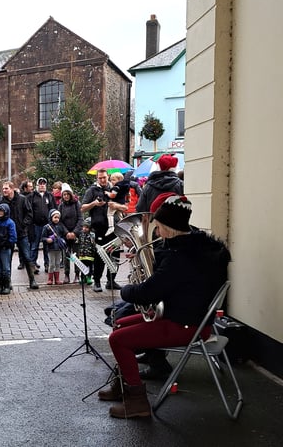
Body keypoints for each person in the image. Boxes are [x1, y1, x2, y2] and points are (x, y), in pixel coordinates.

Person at [97, 193, 230, 419]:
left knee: (117, 339)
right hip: (190, 318)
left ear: (168, 228)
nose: (156, 233)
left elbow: (147, 292)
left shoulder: (180, 257)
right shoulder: (198, 248)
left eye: (157, 227)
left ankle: (137, 402)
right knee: (119, 323)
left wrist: (126, 290)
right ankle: (123, 385)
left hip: (185, 324)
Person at [81, 169, 127, 292]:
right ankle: (97, 281)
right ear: (97, 178)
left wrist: (116, 206)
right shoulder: (92, 190)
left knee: (115, 255)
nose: (102, 180)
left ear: (108, 177)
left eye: (104, 178)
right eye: (100, 178)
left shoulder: (116, 189)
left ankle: (111, 281)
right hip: (99, 229)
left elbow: (125, 207)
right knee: (100, 256)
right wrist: (94, 204)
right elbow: (82, 208)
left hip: (115, 228)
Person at [0, 181, 39, 289]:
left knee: (27, 257)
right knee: (8, 259)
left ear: (12, 189)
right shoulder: (2, 202)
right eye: (3, 189)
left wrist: (23, 225)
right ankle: (8, 282)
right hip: (8, 235)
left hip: (22, 233)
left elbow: (29, 213)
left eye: (6, 188)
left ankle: (32, 280)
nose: (4, 190)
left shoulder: (22, 199)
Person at [29, 177, 55, 273]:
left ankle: (47, 264)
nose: (42, 185)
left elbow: (53, 209)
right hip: (36, 225)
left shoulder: (50, 196)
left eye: (44, 184)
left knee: (47, 246)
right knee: (34, 245)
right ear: (37, 185)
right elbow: (29, 211)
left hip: (47, 226)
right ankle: (33, 264)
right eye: (40, 184)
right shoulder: (32, 196)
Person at [58, 183, 83, 283]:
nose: (66, 196)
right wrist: (66, 233)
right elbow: (59, 221)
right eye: (64, 194)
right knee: (66, 255)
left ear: (70, 194)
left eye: (67, 194)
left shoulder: (77, 204)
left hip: (75, 234)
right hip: (66, 235)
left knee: (76, 255)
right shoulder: (61, 205)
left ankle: (77, 275)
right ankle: (66, 274)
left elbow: (81, 219)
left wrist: (75, 232)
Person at [41, 209, 69, 285]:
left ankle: (57, 279)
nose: (57, 219)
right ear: (51, 217)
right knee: (51, 263)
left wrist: (63, 240)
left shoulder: (60, 226)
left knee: (57, 263)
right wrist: (47, 239)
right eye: (55, 217)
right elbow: (42, 238)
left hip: (59, 248)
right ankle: (50, 279)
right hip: (51, 248)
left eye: (58, 217)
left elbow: (63, 235)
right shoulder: (46, 227)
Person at [76, 219, 95, 284]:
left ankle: (89, 277)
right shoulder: (81, 235)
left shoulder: (92, 235)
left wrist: (94, 252)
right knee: (82, 267)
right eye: (84, 227)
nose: (84, 228)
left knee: (89, 267)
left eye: (87, 227)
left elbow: (94, 244)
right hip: (82, 254)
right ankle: (83, 278)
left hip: (90, 255)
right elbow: (78, 242)